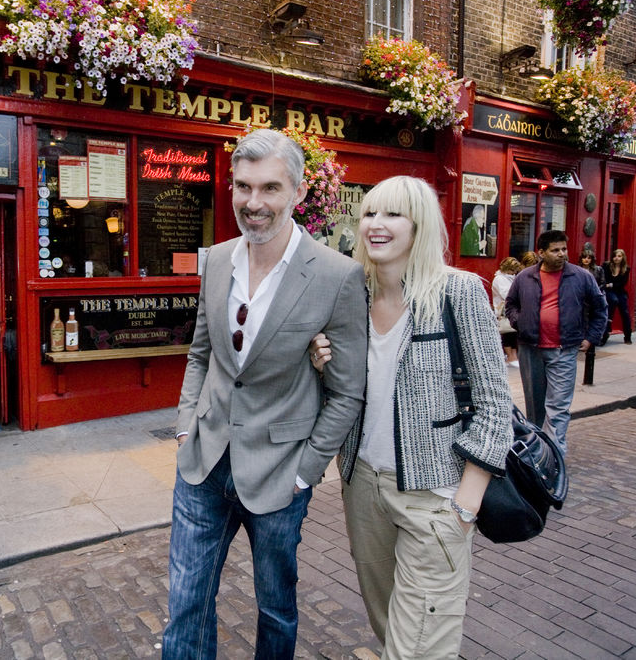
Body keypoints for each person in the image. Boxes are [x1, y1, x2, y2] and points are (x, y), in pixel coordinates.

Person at [163, 129, 368, 658]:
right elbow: (201, 355)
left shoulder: (337, 275)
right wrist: (187, 425)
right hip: (203, 462)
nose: (254, 203)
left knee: (276, 608)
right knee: (186, 602)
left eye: (271, 188)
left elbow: (347, 393)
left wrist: (306, 470)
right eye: (243, 187)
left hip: (280, 472)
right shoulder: (215, 260)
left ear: (299, 192)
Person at [309, 176, 512, 659]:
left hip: (434, 495)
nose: (377, 224)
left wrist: (463, 508)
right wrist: (321, 365)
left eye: (393, 214)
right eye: (371, 213)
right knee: (389, 629)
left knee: (417, 649)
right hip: (363, 487)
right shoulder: (350, 295)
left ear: (419, 224)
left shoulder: (457, 292)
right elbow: (346, 396)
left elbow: (494, 407)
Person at [505, 230, 607, 453]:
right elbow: (511, 304)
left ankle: (554, 456)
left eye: (564, 249)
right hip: (531, 349)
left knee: (558, 407)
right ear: (541, 252)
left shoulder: (581, 276)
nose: (562, 254)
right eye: (555, 250)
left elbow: (601, 309)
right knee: (535, 406)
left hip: (564, 350)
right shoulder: (525, 277)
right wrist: (519, 322)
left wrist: (591, 338)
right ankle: (536, 451)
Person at [493, 256, 522, 367]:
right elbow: (506, 294)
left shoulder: (512, 278)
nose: (514, 272)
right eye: (512, 270)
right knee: (506, 332)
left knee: (513, 331)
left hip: (512, 308)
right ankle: (510, 356)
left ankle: (513, 355)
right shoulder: (499, 279)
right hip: (503, 310)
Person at [602, 248, 632, 345]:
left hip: (620, 292)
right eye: (615, 256)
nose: (616, 258)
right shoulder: (606, 266)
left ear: (623, 258)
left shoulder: (626, 269)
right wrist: (610, 285)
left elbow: (622, 283)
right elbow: (604, 280)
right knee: (613, 301)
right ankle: (606, 331)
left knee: (625, 313)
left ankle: (627, 336)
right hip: (609, 291)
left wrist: (611, 284)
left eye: (619, 256)